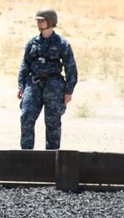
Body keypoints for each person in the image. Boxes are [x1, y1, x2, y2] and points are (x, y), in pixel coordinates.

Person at [17, 8, 79, 150]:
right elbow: (25, 65)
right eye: (37, 20)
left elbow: (71, 68)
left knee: (52, 122)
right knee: (26, 116)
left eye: (42, 20)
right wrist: (21, 86)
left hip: (54, 85)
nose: (38, 23)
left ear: (51, 22)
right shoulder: (32, 43)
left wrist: (69, 91)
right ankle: (25, 156)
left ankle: (52, 158)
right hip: (34, 85)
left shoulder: (62, 44)